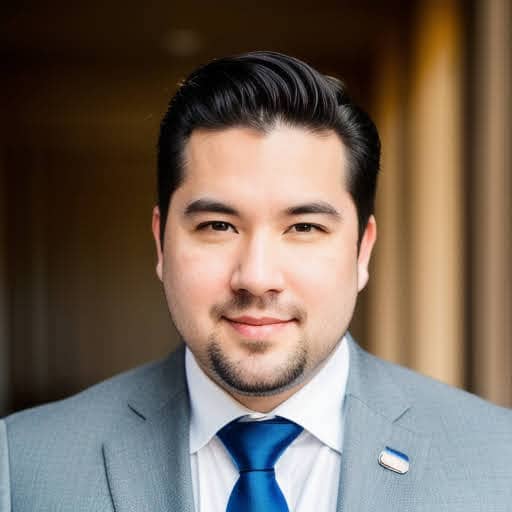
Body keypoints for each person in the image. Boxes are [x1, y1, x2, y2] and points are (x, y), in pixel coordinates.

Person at [1, 51, 511, 512]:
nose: (257, 277)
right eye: (219, 226)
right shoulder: (21, 464)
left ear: (363, 250)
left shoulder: (498, 462)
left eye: (304, 227)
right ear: (161, 244)